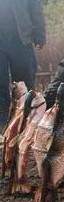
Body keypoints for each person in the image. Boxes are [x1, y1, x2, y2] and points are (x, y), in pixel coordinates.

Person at [0, 0, 46, 132]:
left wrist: (40, 34)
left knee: (25, 86)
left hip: (21, 39)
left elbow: (36, 8)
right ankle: (3, 127)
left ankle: (27, 123)